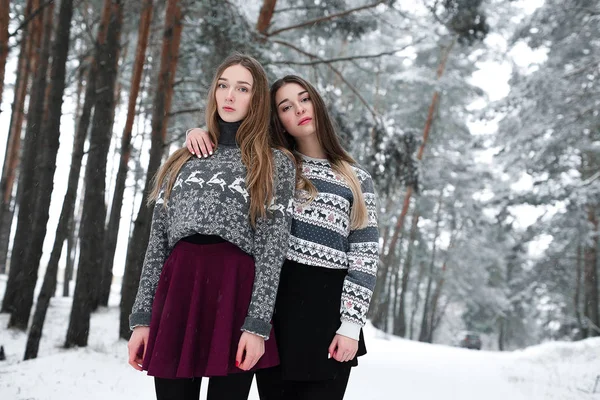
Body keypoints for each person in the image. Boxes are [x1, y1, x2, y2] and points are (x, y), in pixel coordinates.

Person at [185, 75, 379, 400]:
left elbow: (365, 258)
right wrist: (201, 133)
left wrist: (351, 325)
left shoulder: (356, 179)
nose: (299, 110)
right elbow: (231, 150)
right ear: (279, 121)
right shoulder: (273, 166)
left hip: (327, 316)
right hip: (275, 311)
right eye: (286, 107)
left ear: (317, 103)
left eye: (304, 99)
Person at [127, 53, 296, 400]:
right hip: (178, 292)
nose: (229, 96)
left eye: (242, 88)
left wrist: (257, 326)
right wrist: (142, 319)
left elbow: (271, 248)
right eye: (223, 85)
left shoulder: (274, 162)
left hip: (234, 295)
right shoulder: (183, 158)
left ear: (258, 98)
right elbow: (157, 244)